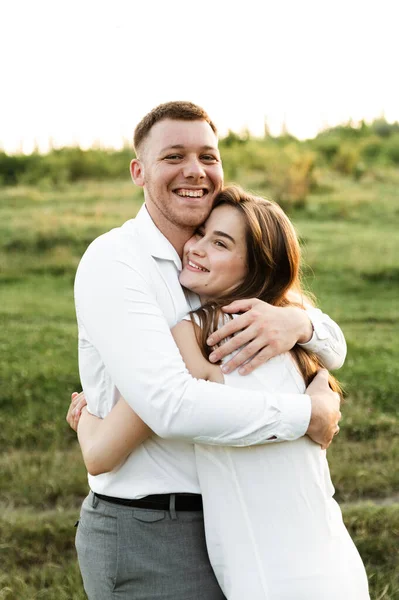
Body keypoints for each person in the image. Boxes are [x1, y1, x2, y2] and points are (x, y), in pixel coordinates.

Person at [70, 101, 345, 599]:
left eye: (207, 156)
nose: (194, 170)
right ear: (139, 171)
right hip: (157, 526)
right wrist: (308, 415)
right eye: (173, 156)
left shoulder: (221, 274)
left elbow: (332, 341)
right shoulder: (116, 262)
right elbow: (169, 404)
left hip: (247, 521)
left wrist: (299, 321)